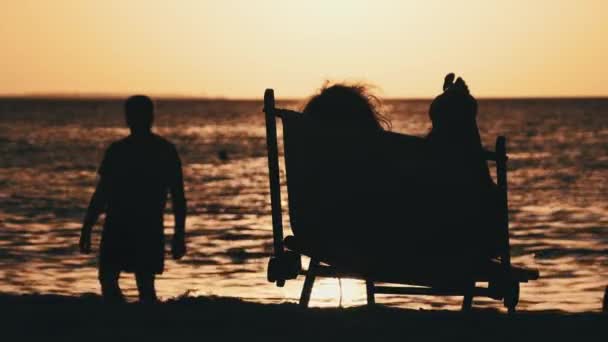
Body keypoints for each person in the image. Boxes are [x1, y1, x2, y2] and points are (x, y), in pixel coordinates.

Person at [79, 95, 187, 303]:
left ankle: (134, 324)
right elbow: (103, 192)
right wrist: (87, 227)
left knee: (140, 283)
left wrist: (179, 236)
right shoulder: (136, 150)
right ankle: (127, 322)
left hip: (140, 226)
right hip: (127, 225)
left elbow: (178, 197)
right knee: (115, 279)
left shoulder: (154, 151)